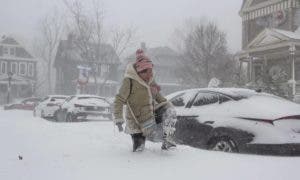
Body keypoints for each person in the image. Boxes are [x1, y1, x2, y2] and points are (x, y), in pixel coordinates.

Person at [113, 49, 177, 152]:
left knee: (169, 110)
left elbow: (159, 97)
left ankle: (167, 140)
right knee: (139, 150)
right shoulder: (129, 81)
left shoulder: (151, 80)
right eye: (146, 72)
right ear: (139, 72)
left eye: (151, 71)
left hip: (150, 116)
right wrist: (118, 119)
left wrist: (168, 105)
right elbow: (119, 99)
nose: (149, 75)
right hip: (135, 121)